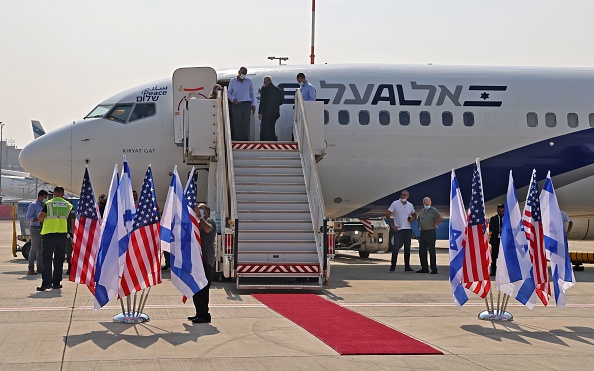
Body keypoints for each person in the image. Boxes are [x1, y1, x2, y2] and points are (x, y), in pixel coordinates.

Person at [36, 186, 73, 291]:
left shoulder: (49, 204)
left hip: (49, 234)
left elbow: (40, 217)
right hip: (62, 235)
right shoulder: (68, 205)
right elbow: (71, 220)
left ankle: (47, 283)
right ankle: (56, 283)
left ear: (54, 193)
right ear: (63, 193)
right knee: (59, 260)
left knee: (47, 259)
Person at [189, 203, 216, 323]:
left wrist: (200, 217)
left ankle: (205, 315)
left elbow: (207, 229)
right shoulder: (196, 223)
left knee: (204, 289)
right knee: (196, 288)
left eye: (202, 209)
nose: (199, 210)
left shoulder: (209, 221)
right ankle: (198, 313)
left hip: (206, 260)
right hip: (196, 261)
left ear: (207, 212)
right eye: (198, 209)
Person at [386, 189, 416, 272]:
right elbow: (388, 214)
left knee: (407, 249)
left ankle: (407, 267)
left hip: (407, 229)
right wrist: (392, 225)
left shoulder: (410, 205)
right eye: (402, 194)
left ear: (407, 196)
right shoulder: (395, 203)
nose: (402, 196)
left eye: (404, 195)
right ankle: (393, 267)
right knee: (396, 248)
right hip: (398, 229)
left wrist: (413, 218)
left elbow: (414, 214)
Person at [227, 66, 256, 141]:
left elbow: (251, 93)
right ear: (239, 72)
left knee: (246, 122)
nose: (243, 75)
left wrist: (254, 104)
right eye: (242, 73)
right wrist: (232, 99)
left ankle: (246, 139)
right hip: (237, 104)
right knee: (237, 122)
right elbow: (228, 92)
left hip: (247, 104)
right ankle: (238, 139)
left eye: (245, 73)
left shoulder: (249, 81)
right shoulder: (232, 81)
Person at [417, 197, 443, 274]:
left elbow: (440, 217)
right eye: (425, 202)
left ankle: (434, 269)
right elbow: (419, 218)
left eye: (427, 202)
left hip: (430, 232)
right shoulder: (422, 210)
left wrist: (435, 224)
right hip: (423, 232)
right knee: (422, 251)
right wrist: (419, 224)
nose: (426, 204)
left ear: (430, 203)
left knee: (431, 250)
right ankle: (424, 268)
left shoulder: (433, 210)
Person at [26, 190, 49, 275]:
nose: (46, 199)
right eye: (45, 197)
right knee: (34, 248)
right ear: (40, 197)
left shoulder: (45, 205)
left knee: (41, 249)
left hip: (43, 228)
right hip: (35, 228)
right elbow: (28, 217)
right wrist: (39, 219)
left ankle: (40, 267)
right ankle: (31, 268)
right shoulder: (33, 205)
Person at [258, 76, 284, 141]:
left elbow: (262, 101)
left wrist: (260, 112)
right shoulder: (278, 90)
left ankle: (265, 143)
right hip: (275, 114)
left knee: (264, 129)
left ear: (265, 82)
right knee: (271, 128)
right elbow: (281, 102)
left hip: (266, 114)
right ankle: (274, 141)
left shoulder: (265, 89)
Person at [489, 204, 505, 276]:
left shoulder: (507, 218)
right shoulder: (493, 218)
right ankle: (493, 270)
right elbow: (491, 227)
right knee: (494, 256)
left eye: (502, 211)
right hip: (495, 240)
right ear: (497, 210)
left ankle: (503, 271)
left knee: (504, 256)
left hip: (504, 240)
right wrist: (499, 230)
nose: (501, 212)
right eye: (500, 211)